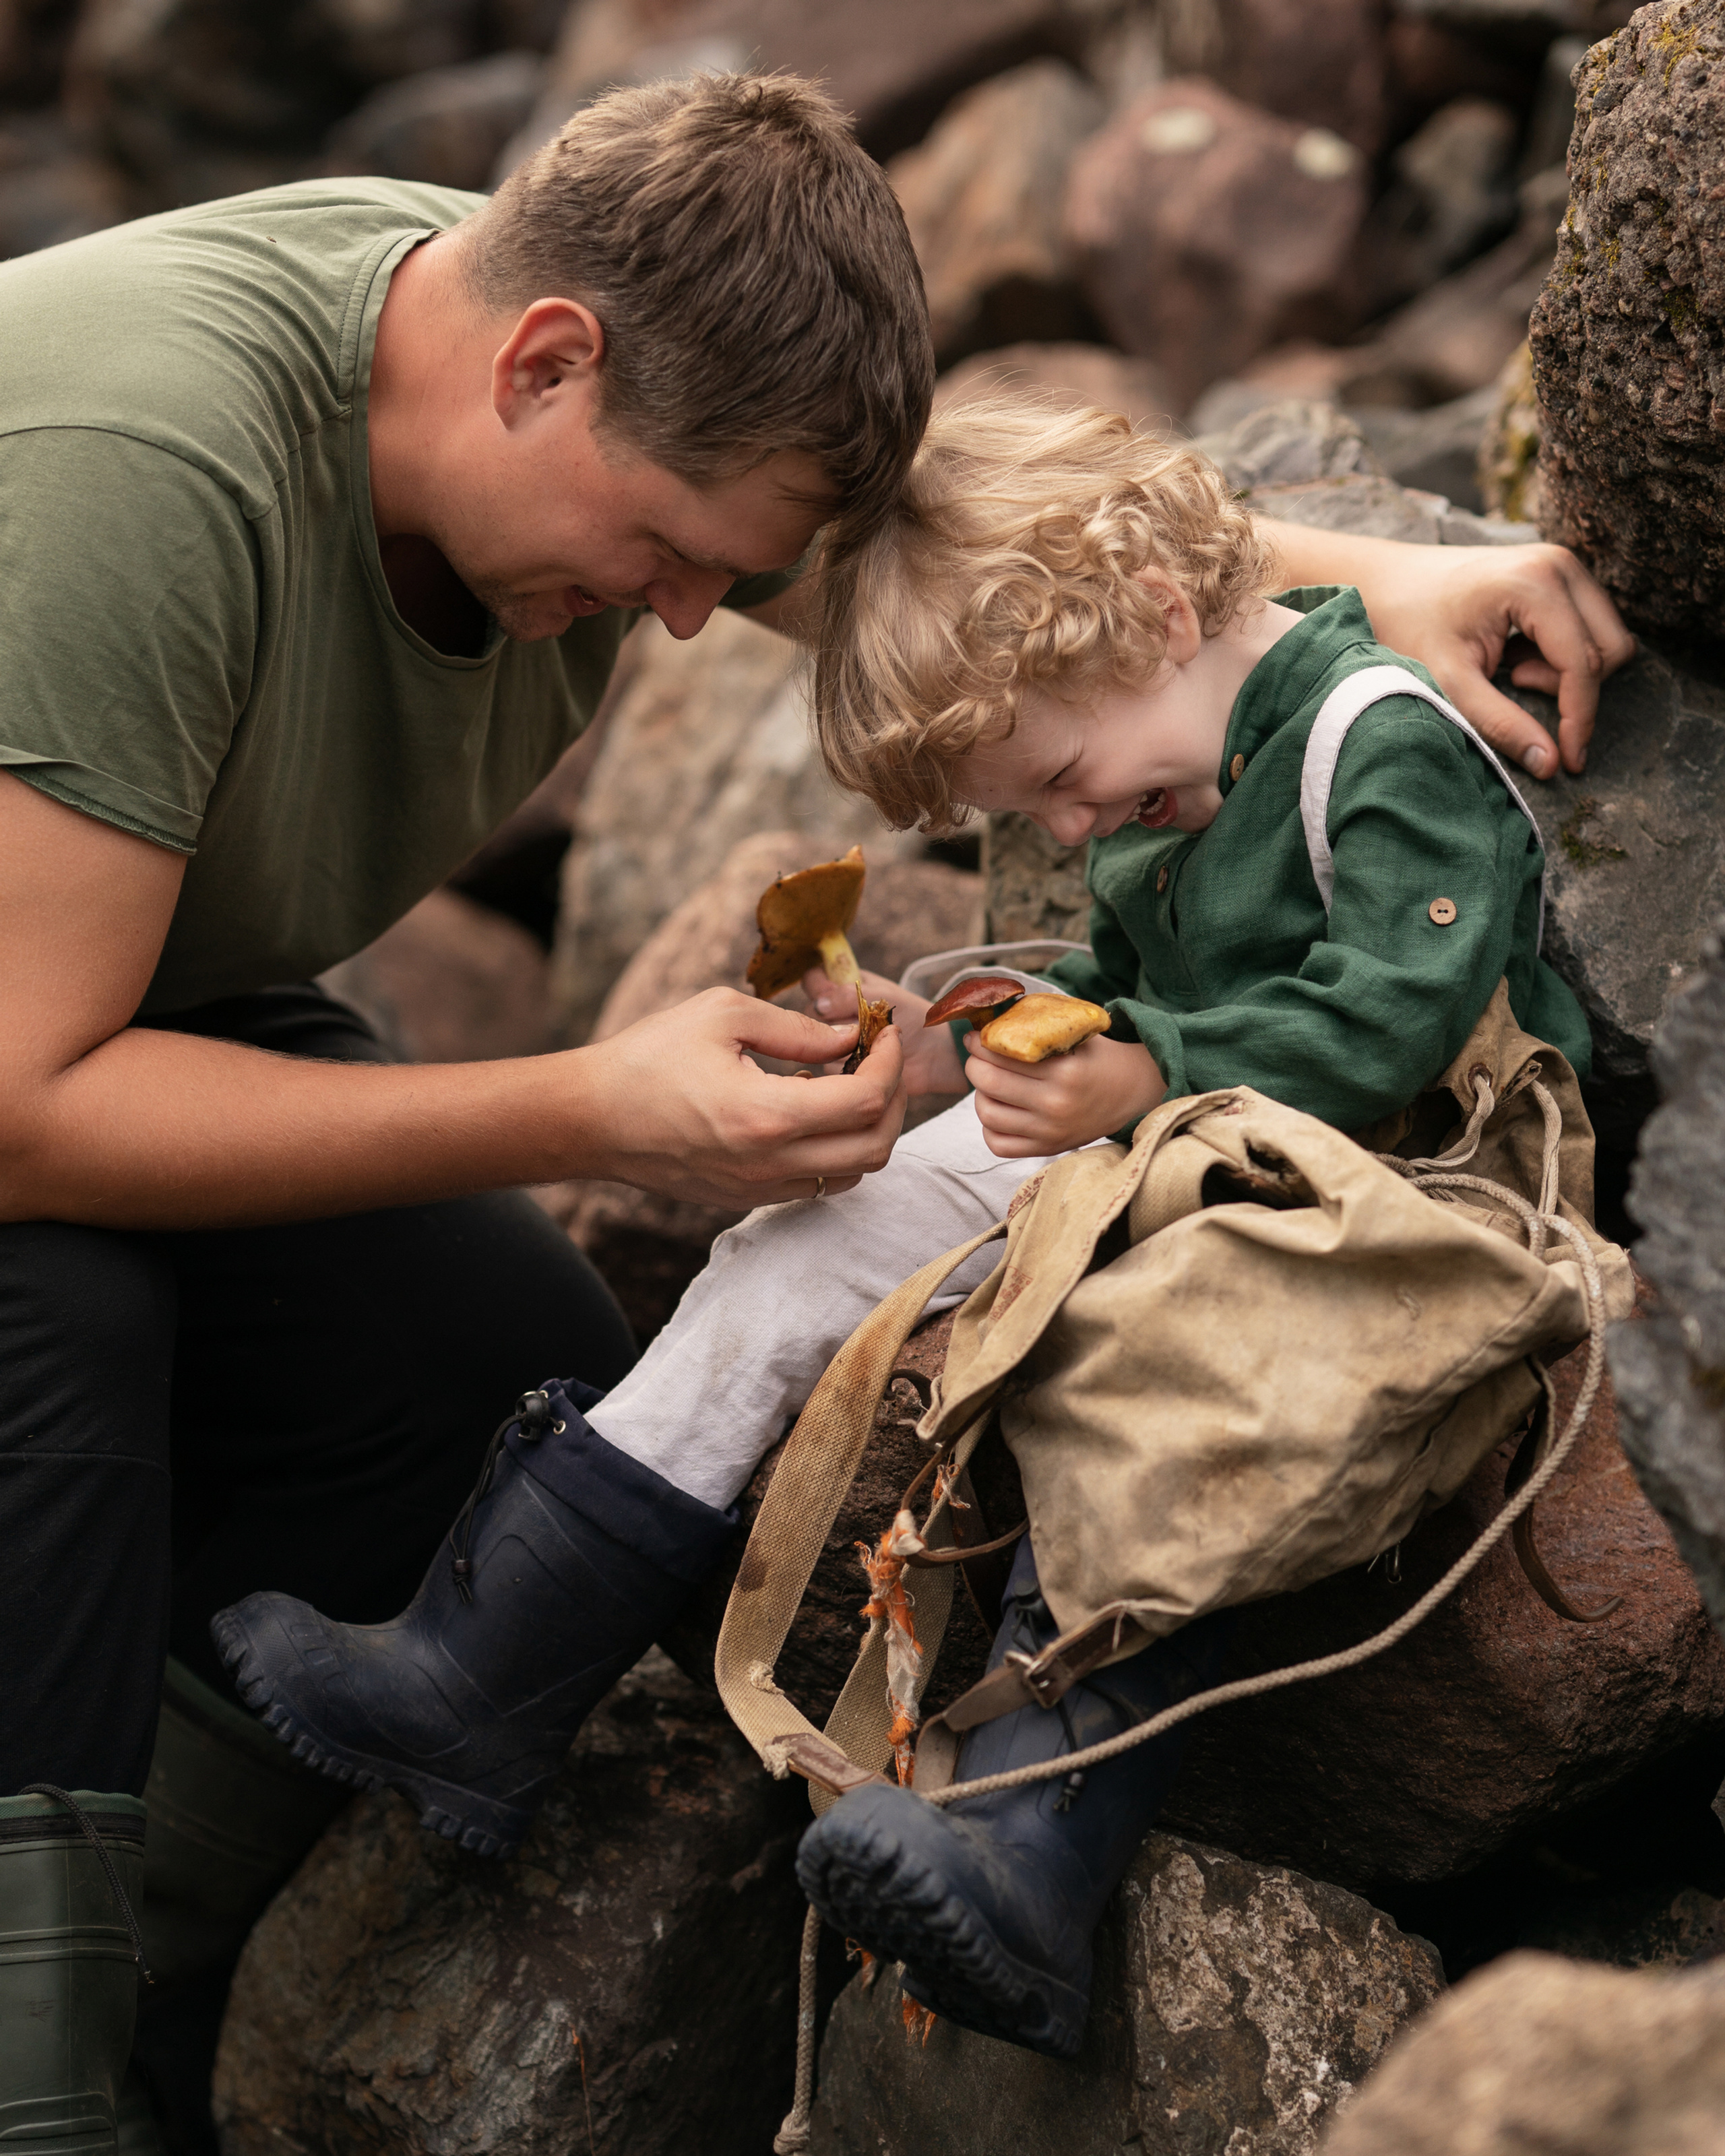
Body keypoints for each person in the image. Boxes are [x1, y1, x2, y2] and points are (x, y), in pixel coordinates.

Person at [0, 59, 1628, 2136]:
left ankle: (161, 1964)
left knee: (489, 1365)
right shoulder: (151, 466)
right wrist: (597, 1103)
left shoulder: (569, 361)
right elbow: (19, 1120)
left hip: (122, 989)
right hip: (23, 1067)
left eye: (721, 573)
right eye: (670, 557)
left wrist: (1339, 582)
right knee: (65, 1323)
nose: (695, 620)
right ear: (545, 365)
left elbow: (990, 556)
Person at [215, 396, 1610, 2056]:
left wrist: (1140, 1067)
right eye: (1041, 813)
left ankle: (1023, 1844)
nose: (1075, 829)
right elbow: (1134, 982)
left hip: (1376, 1186)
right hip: (1166, 1133)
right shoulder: (1161, 758)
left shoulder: (1372, 737)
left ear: (1160, 616)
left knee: (1168, 1369)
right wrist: (964, 1028)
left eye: (1068, 784)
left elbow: (1389, 1015)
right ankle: (485, 1666)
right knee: (804, 1243)